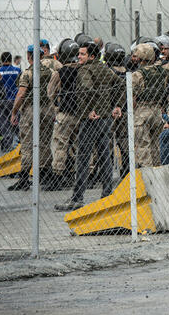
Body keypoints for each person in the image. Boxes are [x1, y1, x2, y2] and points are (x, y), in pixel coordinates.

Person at [55, 41, 124, 211]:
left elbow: (85, 89)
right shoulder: (104, 68)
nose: (79, 57)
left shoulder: (85, 70)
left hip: (91, 120)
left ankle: (77, 198)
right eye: (79, 54)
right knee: (105, 157)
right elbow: (121, 84)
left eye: (82, 54)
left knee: (83, 158)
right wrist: (117, 106)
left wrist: (88, 111)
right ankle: (107, 193)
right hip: (106, 119)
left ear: (91, 56)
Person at [8, 44, 56, 191]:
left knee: (28, 143)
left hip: (30, 111)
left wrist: (14, 111)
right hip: (47, 110)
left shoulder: (28, 73)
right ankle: (45, 176)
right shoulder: (51, 72)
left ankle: (24, 178)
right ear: (42, 56)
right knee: (45, 142)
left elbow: (21, 94)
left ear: (29, 56)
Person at [47, 39, 81, 191]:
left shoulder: (59, 73)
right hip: (81, 114)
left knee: (60, 144)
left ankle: (58, 176)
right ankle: (77, 174)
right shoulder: (83, 69)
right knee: (78, 145)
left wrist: (56, 105)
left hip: (65, 113)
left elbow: (50, 93)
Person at [131, 43, 167, 167]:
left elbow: (132, 96)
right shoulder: (161, 71)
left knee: (142, 145)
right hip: (157, 110)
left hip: (142, 110)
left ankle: (147, 173)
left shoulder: (137, 74)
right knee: (156, 144)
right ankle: (157, 171)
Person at [0, 51, 21, 152]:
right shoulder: (17, 70)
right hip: (15, 100)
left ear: (2, 60)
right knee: (17, 121)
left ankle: (7, 146)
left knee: (4, 123)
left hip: (2, 100)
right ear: (11, 59)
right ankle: (21, 142)